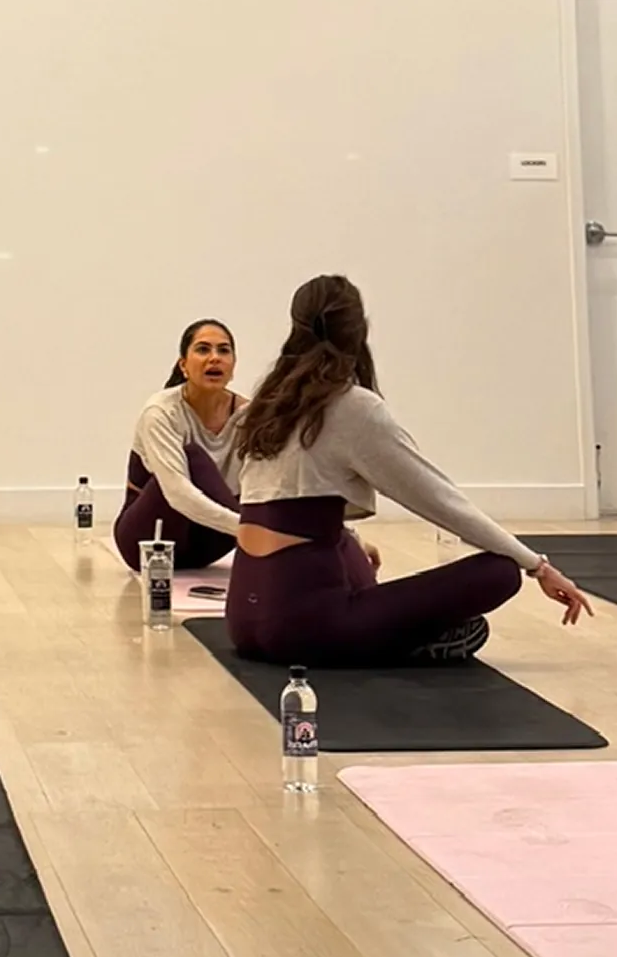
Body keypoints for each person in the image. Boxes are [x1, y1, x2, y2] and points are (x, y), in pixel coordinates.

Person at [224, 276, 590, 666]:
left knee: (349, 547)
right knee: (501, 572)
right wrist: (537, 566)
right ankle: (403, 639)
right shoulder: (354, 407)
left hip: (243, 622)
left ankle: (379, 626)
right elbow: (441, 501)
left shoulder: (266, 405)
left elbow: (274, 503)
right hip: (305, 630)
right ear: (359, 330)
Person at [113, 319, 245, 573]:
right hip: (148, 543)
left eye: (223, 350)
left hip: (208, 544)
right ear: (183, 365)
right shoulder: (161, 411)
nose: (214, 358)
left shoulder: (250, 417)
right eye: (203, 349)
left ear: (233, 366)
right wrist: (248, 530)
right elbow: (177, 493)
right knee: (193, 455)